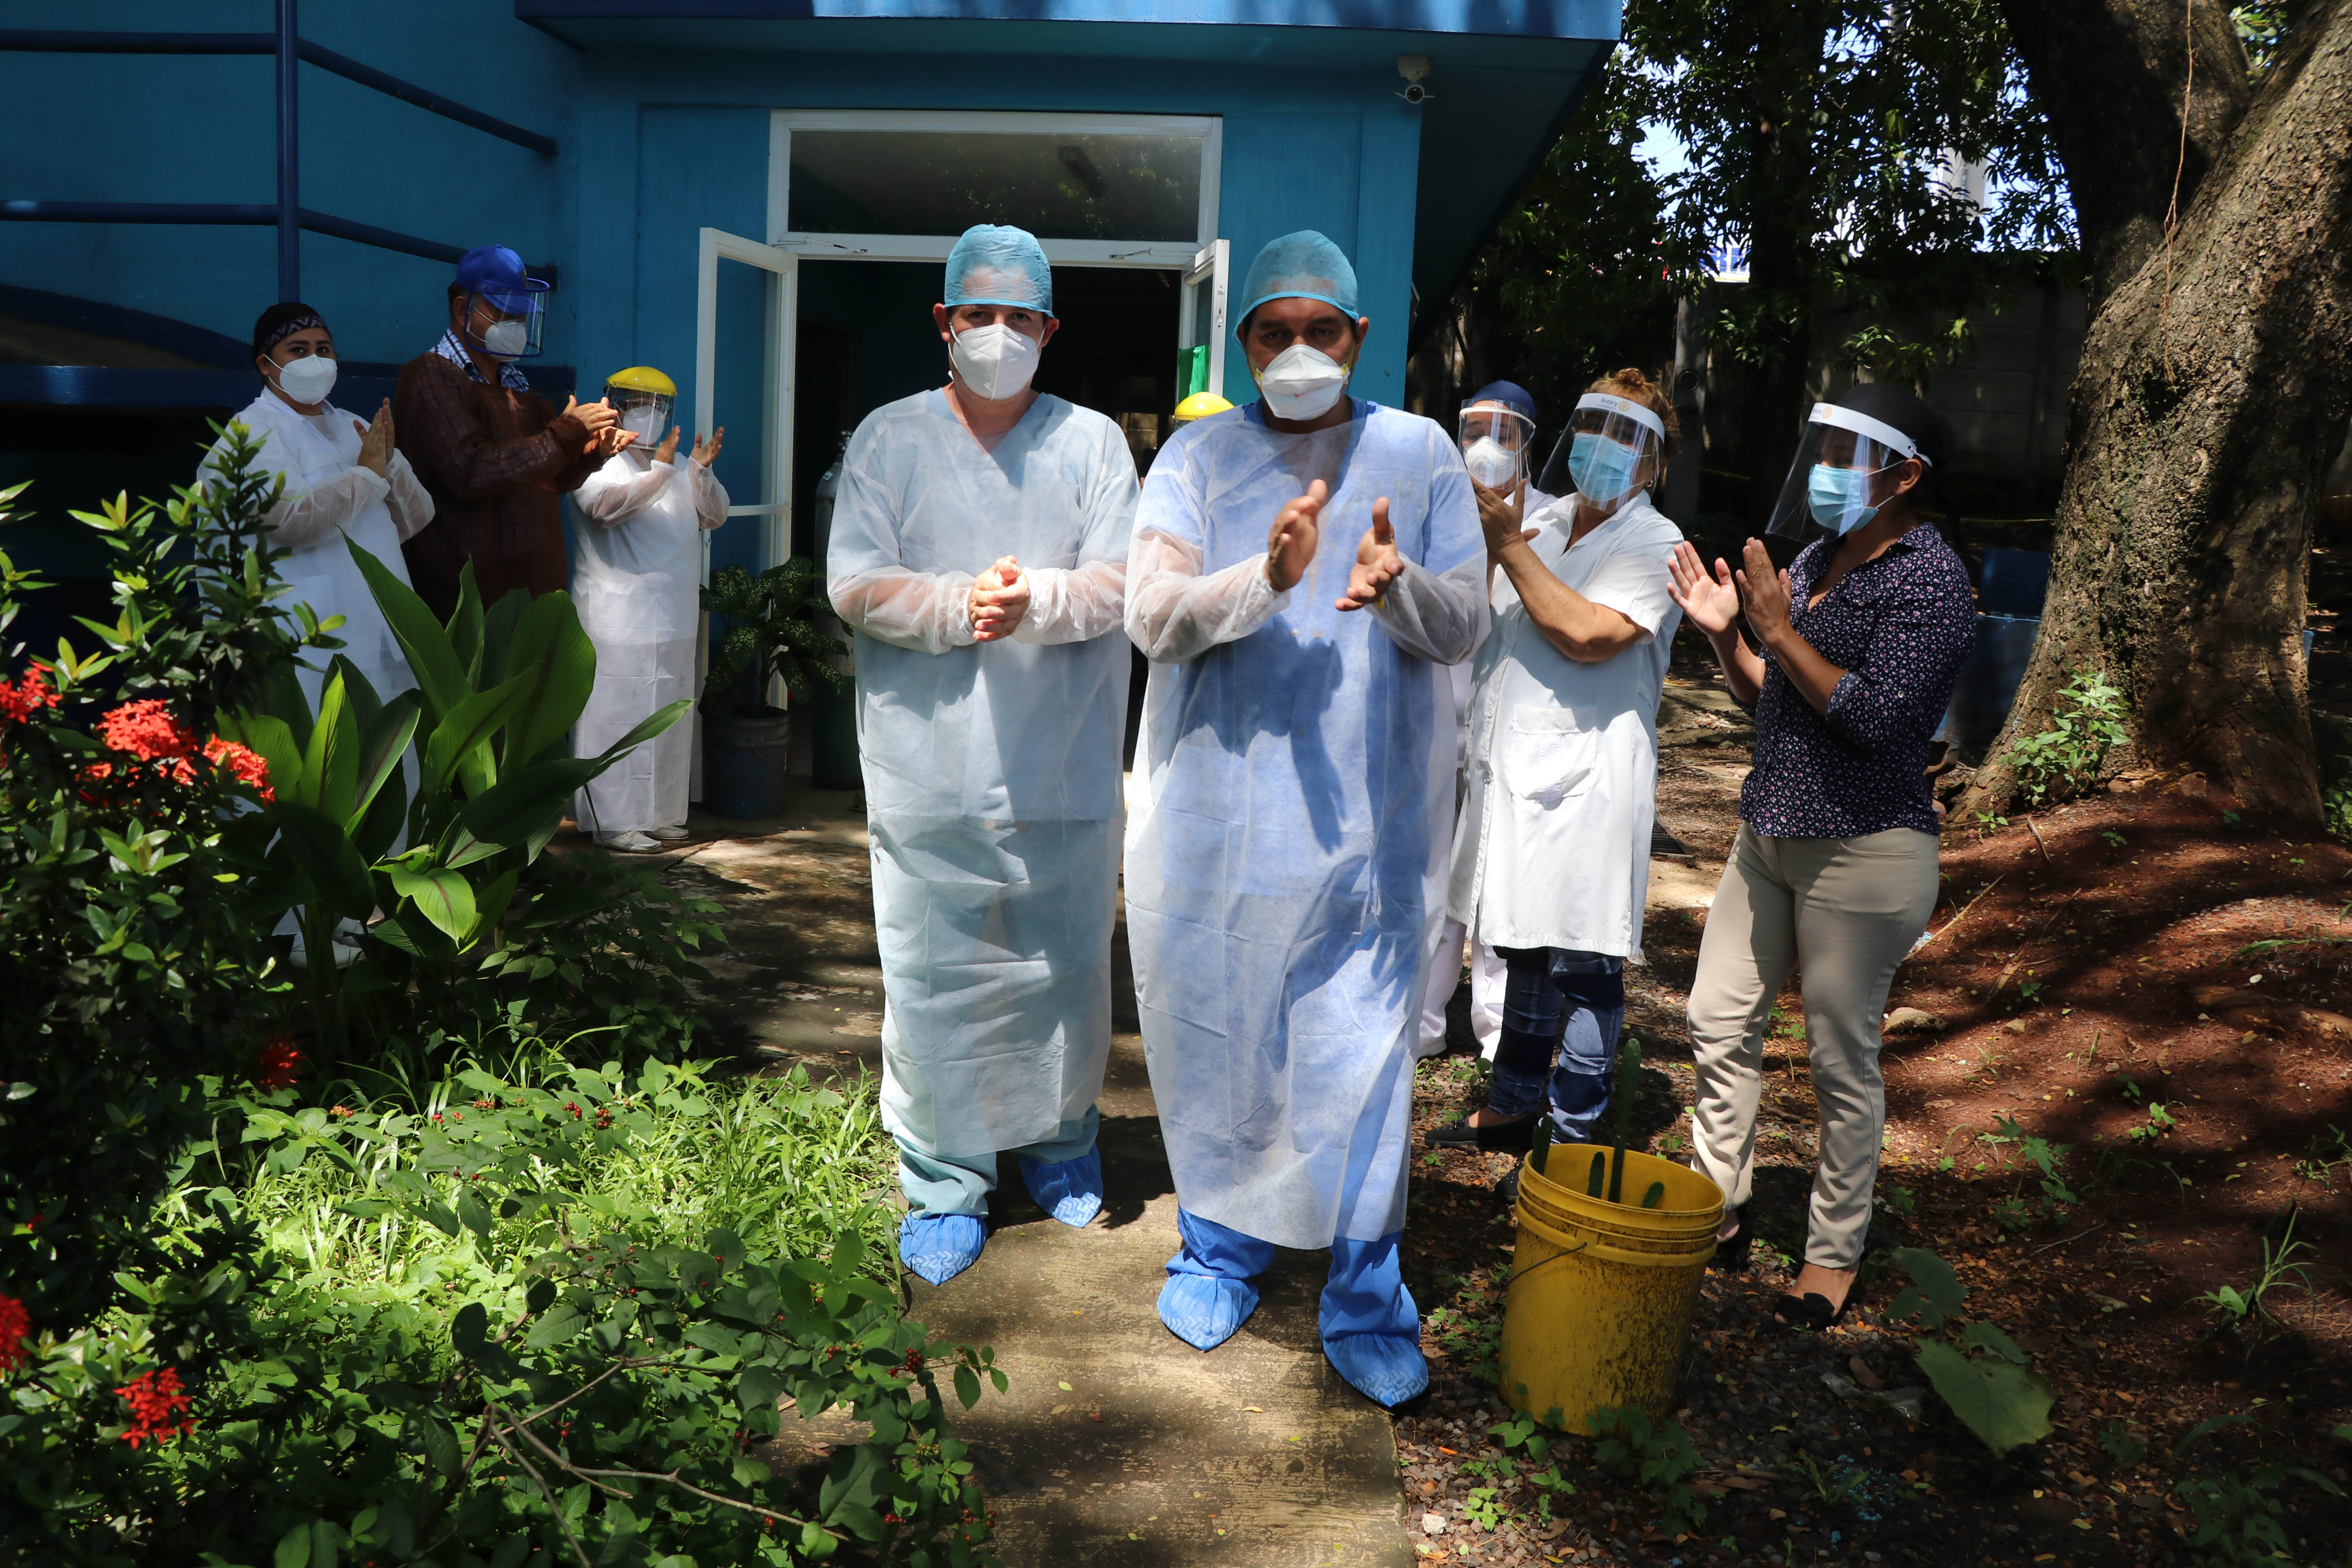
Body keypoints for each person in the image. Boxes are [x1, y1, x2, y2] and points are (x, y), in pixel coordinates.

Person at [1124, 230, 1485, 1407]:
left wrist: (1397, 586)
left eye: (1318, 330)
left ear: (1358, 337)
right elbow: (1151, 616)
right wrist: (1266, 579)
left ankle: (1365, 1290)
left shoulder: (1418, 453)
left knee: (1363, 1055)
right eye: (1272, 332)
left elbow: (1466, 623)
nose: (1296, 351)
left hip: (1372, 830)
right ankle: (1219, 1246)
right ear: (1242, 342)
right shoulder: (1196, 458)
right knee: (1224, 1031)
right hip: (1219, 821)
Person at [826, 224, 1137, 1286]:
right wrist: (962, 605)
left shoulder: (1093, 444)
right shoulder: (889, 440)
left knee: (1064, 965)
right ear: (942, 322)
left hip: (1062, 762)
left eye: (1019, 317)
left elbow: (1121, 583)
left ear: (1049, 329)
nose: (996, 334)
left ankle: (1059, 1138)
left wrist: (1033, 598)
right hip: (931, 770)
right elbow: (854, 582)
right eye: (978, 315)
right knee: (936, 975)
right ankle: (945, 1172)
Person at [1666, 381, 1976, 1330]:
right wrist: (1728, 636)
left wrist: (1775, 629)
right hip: (1769, 833)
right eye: (1826, 450)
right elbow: (1772, 690)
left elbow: (1877, 720)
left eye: (1851, 456)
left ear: (1906, 476)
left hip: (1864, 850)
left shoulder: (1932, 581)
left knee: (1840, 1060)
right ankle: (1718, 1204)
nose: (1828, 472)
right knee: (1717, 1018)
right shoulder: (1813, 557)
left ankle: (1832, 1254)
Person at [1429, 373, 1687, 1177]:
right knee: (1523, 945)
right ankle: (1512, 1103)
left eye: (1626, 435)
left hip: (1588, 784)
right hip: (1516, 774)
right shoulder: (1541, 520)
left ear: (1654, 463)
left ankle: (1571, 1141)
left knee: (1583, 964)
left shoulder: (1655, 542)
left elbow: (1588, 634)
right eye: (1594, 426)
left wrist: (1508, 547)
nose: (1603, 447)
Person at [1415, 378, 1553, 1062]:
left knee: (1499, 877)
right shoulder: (1437, 509)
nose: (1487, 446)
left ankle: (1498, 1033)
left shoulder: (1552, 519)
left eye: (1504, 432)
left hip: (1512, 726)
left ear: (1529, 442)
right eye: (1474, 430)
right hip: (1438, 719)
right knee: (1431, 872)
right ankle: (1421, 1024)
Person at [210, 303, 436, 710]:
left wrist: (390, 463)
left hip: (376, 621)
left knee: (388, 738)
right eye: (298, 350)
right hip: (302, 630)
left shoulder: (353, 426)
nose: (314, 361)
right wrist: (366, 475)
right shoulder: (251, 433)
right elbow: (288, 522)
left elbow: (415, 518)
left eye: (323, 350)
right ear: (265, 364)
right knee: (319, 734)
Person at [395, 245, 628, 620]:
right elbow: (470, 470)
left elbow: (543, 475)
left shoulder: (515, 381)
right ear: (463, 310)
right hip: (466, 597)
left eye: (521, 317)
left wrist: (589, 454)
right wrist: (565, 433)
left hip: (527, 588)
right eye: (505, 314)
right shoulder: (432, 375)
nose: (517, 327)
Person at [570, 365, 728, 853]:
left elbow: (714, 516)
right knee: (615, 716)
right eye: (639, 403)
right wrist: (660, 472)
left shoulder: (677, 464)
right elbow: (605, 509)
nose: (650, 413)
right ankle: (614, 820)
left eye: (660, 406)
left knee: (669, 715)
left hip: (675, 615)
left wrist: (697, 472)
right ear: (615, 406)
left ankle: (661, 813)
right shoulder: (595, 460)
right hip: (616, 618)